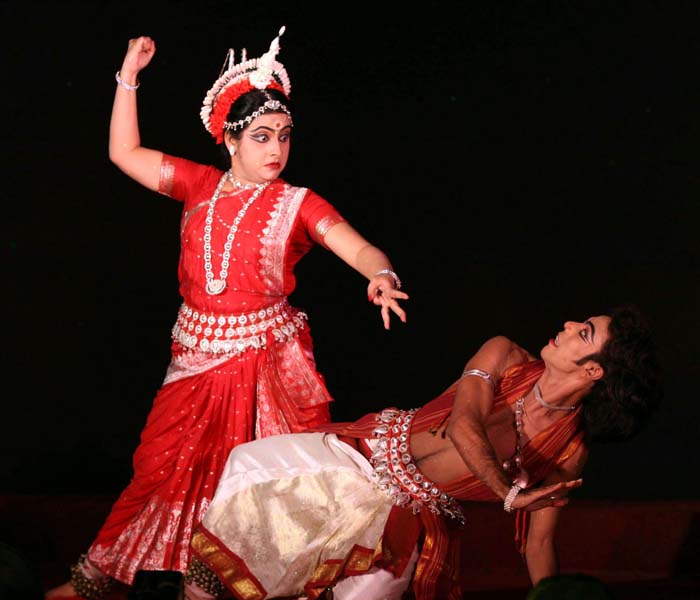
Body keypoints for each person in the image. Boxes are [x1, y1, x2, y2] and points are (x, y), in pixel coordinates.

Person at [46, 26, 408, 600]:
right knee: (158, 468)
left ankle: (238, 584)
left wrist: (380, 275)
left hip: (266, 361)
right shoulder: (198, 185)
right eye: (262, 137)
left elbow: (357, 246)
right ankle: (93, 580)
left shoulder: (298, 203)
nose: (276, 150)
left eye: (285, 137)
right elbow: (124, 153)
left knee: (270, 482)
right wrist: (129, 79)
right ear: (231, 140)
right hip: (195, 356)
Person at [184, 305, 661, 600]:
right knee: (249, 488)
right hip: (363, 457)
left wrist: (552, 598)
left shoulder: (567, 453)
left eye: (585, 334)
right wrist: (506, 493)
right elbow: (463, 423)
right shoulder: (506, 355)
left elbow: (538, 544)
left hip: (410, 519)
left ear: (595, 372)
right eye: (583, 322)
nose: (570, 323)